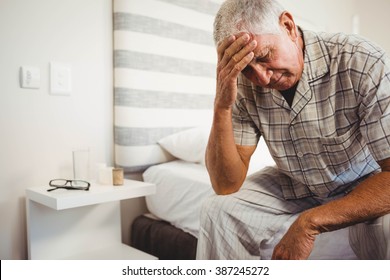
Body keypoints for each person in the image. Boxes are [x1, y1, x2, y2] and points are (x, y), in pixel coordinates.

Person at [196, 0, 390, 260]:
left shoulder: (363, 61)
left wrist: (309, 223)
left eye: (265, 56)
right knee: (218, 209)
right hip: (297, 183)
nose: (262, 78)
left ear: (287, 26)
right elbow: (225, 184)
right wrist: (222, 105)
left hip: (365, 183)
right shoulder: (242, 85)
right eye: (247, 69)